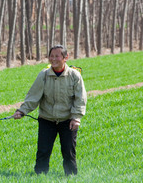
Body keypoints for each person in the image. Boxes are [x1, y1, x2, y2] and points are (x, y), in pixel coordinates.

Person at [13, 45, 87, 175]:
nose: (53, 59)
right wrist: (22, 111)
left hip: (67, 120)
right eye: (51, 56)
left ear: (65, 58)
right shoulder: (44, 75)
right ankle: (40, 177)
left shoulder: (74, 76)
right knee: (43, 151)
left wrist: (76, 118)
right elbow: (33, 96)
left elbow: (80, 98)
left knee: (69, 151)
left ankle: (71, 177)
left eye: (57, 56)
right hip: (47, 120)